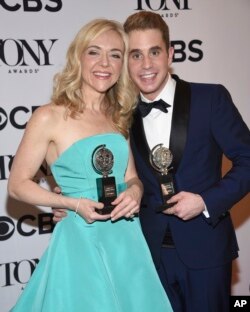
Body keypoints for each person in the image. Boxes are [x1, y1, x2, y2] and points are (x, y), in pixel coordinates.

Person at [53, 12, 250, 312]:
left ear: (170, 53)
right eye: (135, 55)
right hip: (144, 254)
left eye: (154, 52)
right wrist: (69, 203)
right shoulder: (118, 115)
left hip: (205, 252)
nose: (146, 65)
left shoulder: (210, 98)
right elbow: (113, 175)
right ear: (125, 62)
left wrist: (205, 201)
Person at [8, 18, 173, 312]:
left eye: (115, 55)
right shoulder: (50, 116)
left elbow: (132, 177)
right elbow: (18, 185)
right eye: (94, 51)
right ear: (78, 56)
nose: (105, 63)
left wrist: (135, 193)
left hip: (127, 239)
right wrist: (70, 203)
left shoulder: (118, 115)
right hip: (80, 239)